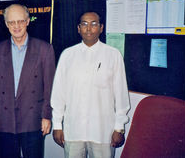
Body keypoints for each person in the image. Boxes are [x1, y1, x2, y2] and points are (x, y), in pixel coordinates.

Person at [51, 12, 130, 158]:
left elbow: (121, 95)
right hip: (73, 130)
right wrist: (57, 125)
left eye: (93, 24)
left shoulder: (113, 55)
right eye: (84, 24)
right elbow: (58, 94)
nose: (88, 28)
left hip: (102, 131)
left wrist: (119, 128)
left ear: (101, 28)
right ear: (78, 28)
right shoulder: (67, 55)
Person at [0, 4, 55, 158]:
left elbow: (49, 88)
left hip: (33, 118)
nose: (16, 26)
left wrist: (46, 116)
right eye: (11, 22)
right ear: (6, 24)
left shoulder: (45, 49)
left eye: (20, 21)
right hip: (5, 119)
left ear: (28, 21)